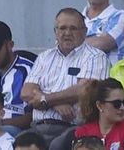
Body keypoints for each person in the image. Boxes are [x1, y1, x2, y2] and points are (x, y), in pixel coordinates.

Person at [20, 10, 107, 143]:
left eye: (73, 28)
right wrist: (54, 103)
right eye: (62, 28)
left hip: (74, 128)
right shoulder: (44, 57)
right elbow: (26, 92)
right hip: (38, 126)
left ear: (84, 31)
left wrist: (45, 99)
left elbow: (84, 91)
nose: (67, 33)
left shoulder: (95, 56)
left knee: (57, 146)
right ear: (56, 31)